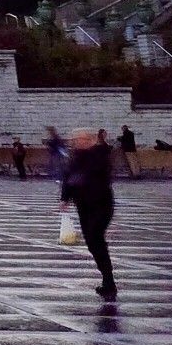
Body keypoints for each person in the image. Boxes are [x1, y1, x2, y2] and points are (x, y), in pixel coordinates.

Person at [59, 128, 116, 299]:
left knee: (95, 236)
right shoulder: (74, 158)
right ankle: (108, 280)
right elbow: (68, 178)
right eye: (75, 139)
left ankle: (108, 281)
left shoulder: (99, 155)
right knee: (92, 243)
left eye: (82, 139)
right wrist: (65, 198)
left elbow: (97, 175)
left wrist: (79, 182)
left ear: (91, 140)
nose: (77, 142)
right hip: (83, 205)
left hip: (101, 205)